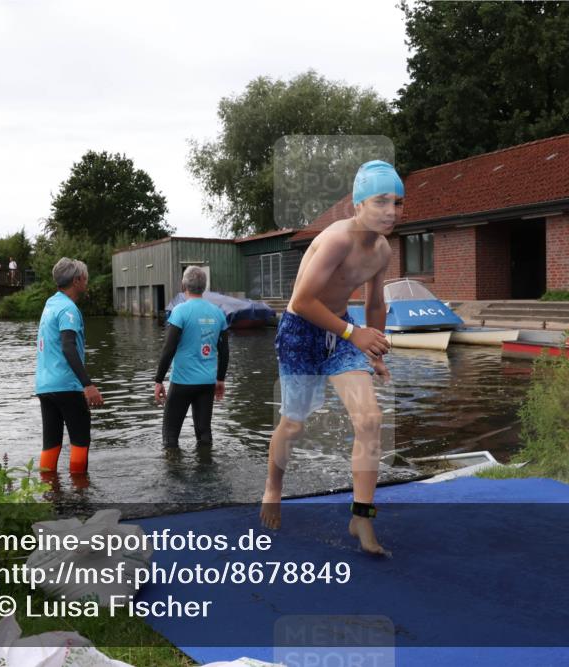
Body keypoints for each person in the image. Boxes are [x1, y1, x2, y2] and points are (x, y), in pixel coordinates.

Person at [260, 160, 401, 555]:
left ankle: (361, 516)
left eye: (398, 203)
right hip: (300, 332)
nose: (391, 211)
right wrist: (355, 334)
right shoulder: (338, 240)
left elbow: (375, 302)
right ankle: (273, 485)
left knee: (370, 419)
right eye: (381, 201)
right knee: (293, 425)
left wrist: (375, 349)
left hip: (340, 333)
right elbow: (302, 302)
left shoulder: (383, 251)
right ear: (358, 205)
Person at [35, 257, 104, 477]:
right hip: (67, 386)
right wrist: (88, 385)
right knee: (80, 442)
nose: (87, 281)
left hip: (45, 386)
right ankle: (80, 493)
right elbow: (68, 347)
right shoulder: (68, 310)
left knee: (51, 443)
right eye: (85, 277)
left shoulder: (50, 304)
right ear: (77, 280)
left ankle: (49, 492)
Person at [153, 266, 229, 453]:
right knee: (204, 434)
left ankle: (173, 475)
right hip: (206, 383)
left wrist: (158, 380)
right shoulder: (218, 313)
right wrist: (220, 379)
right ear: (204, 286)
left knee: (170, 436)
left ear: (183, 285)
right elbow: (224, 351)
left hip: (182, 383)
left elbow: (168, 349)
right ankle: (206, 472)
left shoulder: (180, 311)